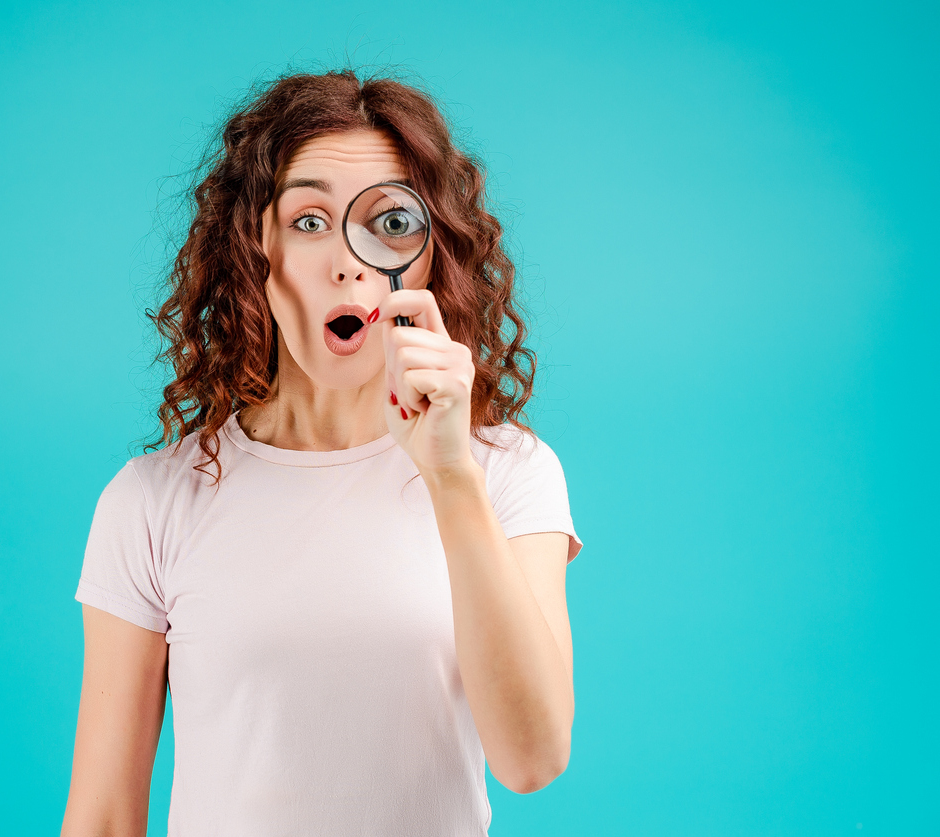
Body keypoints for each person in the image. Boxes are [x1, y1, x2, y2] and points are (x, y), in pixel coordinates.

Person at [61, 68, 583, 837]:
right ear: (256, 248)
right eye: (309, 221)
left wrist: (448, 474)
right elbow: (103, 817)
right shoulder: (153, 500)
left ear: (433, 256)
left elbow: (533, 758)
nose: (349, 261)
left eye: (391, 223)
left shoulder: (506, 473)